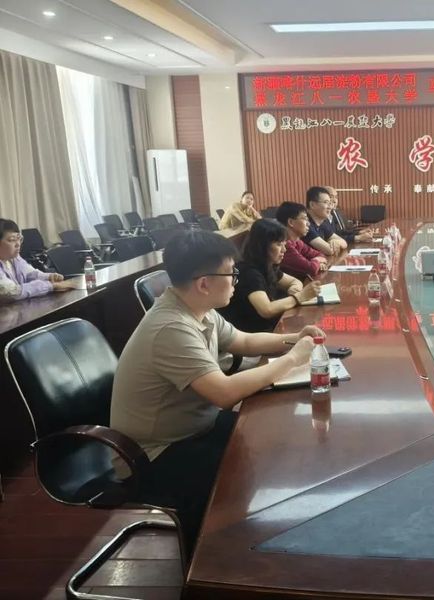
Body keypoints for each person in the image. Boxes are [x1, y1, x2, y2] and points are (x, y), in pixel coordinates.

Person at [110, 230, 325, 557]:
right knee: (240, 466)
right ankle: (212, 561)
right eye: (231, 274)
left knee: (268, 440)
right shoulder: (171, 327)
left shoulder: (196, 308)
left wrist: (295, 339)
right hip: (152, 454)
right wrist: (293, 360)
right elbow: (224, 394)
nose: (236, 280)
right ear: (204, 283)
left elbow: (243, 341)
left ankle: (242, 535)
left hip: (191, 428)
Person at [220, 218, 322, 333]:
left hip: (267, 328)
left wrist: (295, 290)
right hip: (252, 334)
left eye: (284, 244)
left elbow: (294, 282)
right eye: (279, 244)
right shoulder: (249, 272)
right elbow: (266, 310)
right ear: (262, 246)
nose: (284, 250)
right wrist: (299, 297)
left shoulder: (267, 265)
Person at [0, 218, 75, 303]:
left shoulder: (14, 258)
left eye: (19, 238)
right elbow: (13, 292)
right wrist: (51, 286)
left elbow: (30, 273)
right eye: (12, 240)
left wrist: (49, 277)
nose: (18, 244)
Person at [275, 201, 328, 279]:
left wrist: (316, 261)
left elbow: (320, 254)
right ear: (291, 222)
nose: (308, 224)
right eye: (305, 219)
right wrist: (317, 261)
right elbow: (311, 269)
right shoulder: (285, 246)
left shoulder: (298, 242)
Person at [304, 186, 348, 256]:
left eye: (330, 203)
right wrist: (334, 244)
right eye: (326, 202)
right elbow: (329, 250)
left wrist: (335, 241)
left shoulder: (321, 223)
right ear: (312, 205)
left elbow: (344, 242)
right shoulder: (305, 225)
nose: (330, 207)